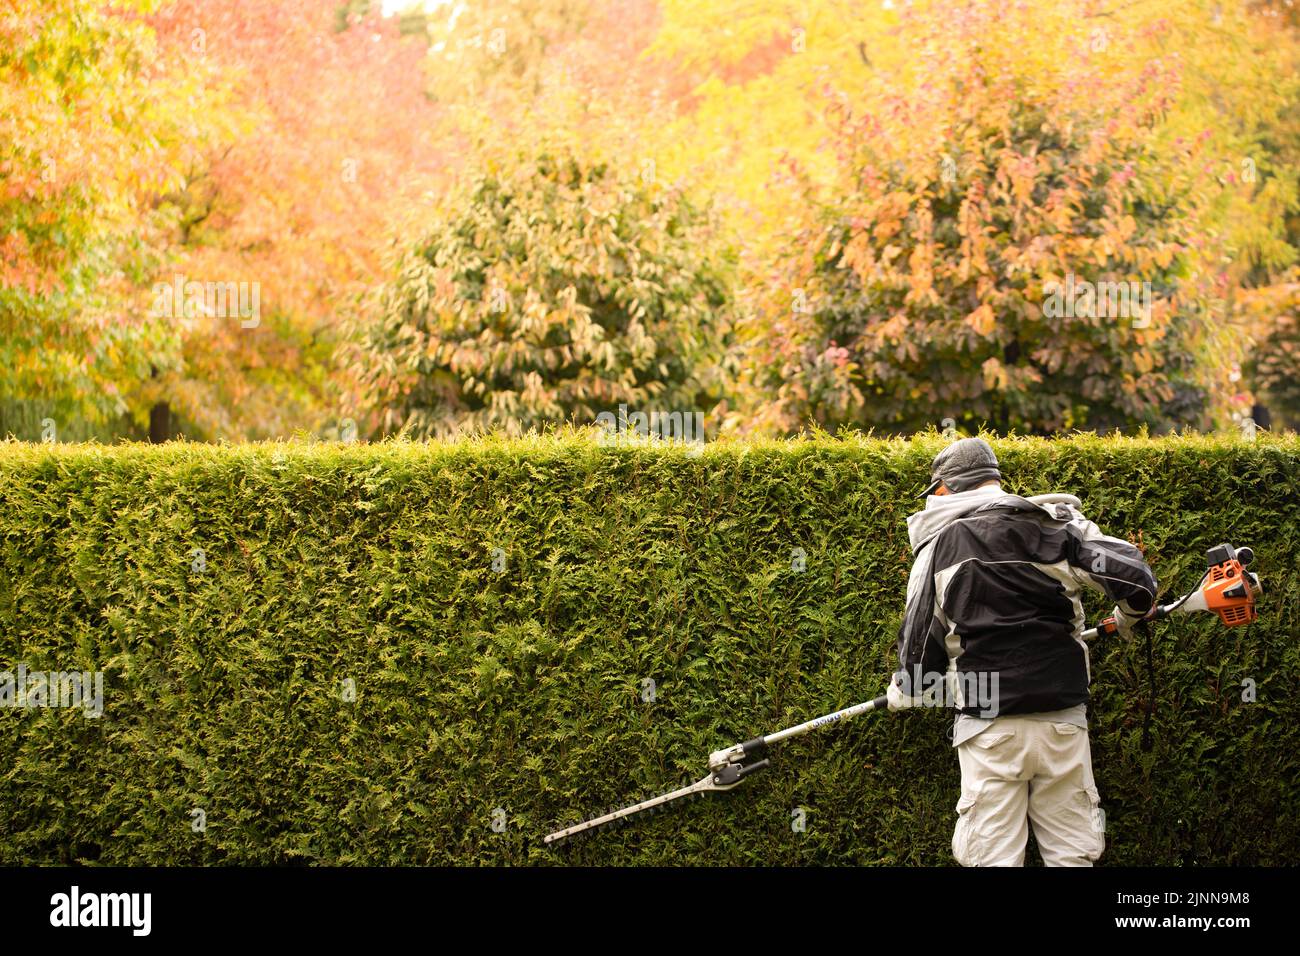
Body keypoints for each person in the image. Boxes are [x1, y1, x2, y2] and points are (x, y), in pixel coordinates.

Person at [887, 437, 1157, 866]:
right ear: (994, 481)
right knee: (1072, 856)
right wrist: (1127, 617)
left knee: (993, 859)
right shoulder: (1056, 526)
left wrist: (907, 689)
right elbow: (1138, 581)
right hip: (1062, 720)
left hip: (989, 726)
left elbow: (920, 648)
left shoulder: (938, 547)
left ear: (943, 490)